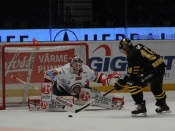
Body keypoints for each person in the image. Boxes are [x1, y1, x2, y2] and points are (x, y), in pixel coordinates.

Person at [42, 55, 124, 110]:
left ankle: (113, 101)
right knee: (53, 97)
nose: (77, 67)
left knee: (94, 95)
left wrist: (109, 80)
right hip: (62, 91)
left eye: (79, 65)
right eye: (75, 65)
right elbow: (49, 73)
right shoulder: (64, 70)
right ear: (71, 64)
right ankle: (47, 101)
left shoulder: (86, 70)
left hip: (81, 90)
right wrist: (46, 91)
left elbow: (98, 77)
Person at [113, 38, 170, 116]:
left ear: (126, 47)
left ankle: (141, 106)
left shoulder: (131, 54)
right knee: (156, 87)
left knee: (132, 83)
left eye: (122, 49)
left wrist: (122, 83)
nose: (122, 52)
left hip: (153, 70)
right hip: (160, 67)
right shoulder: (138, 47)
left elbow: (132, 74)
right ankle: (163, 105)